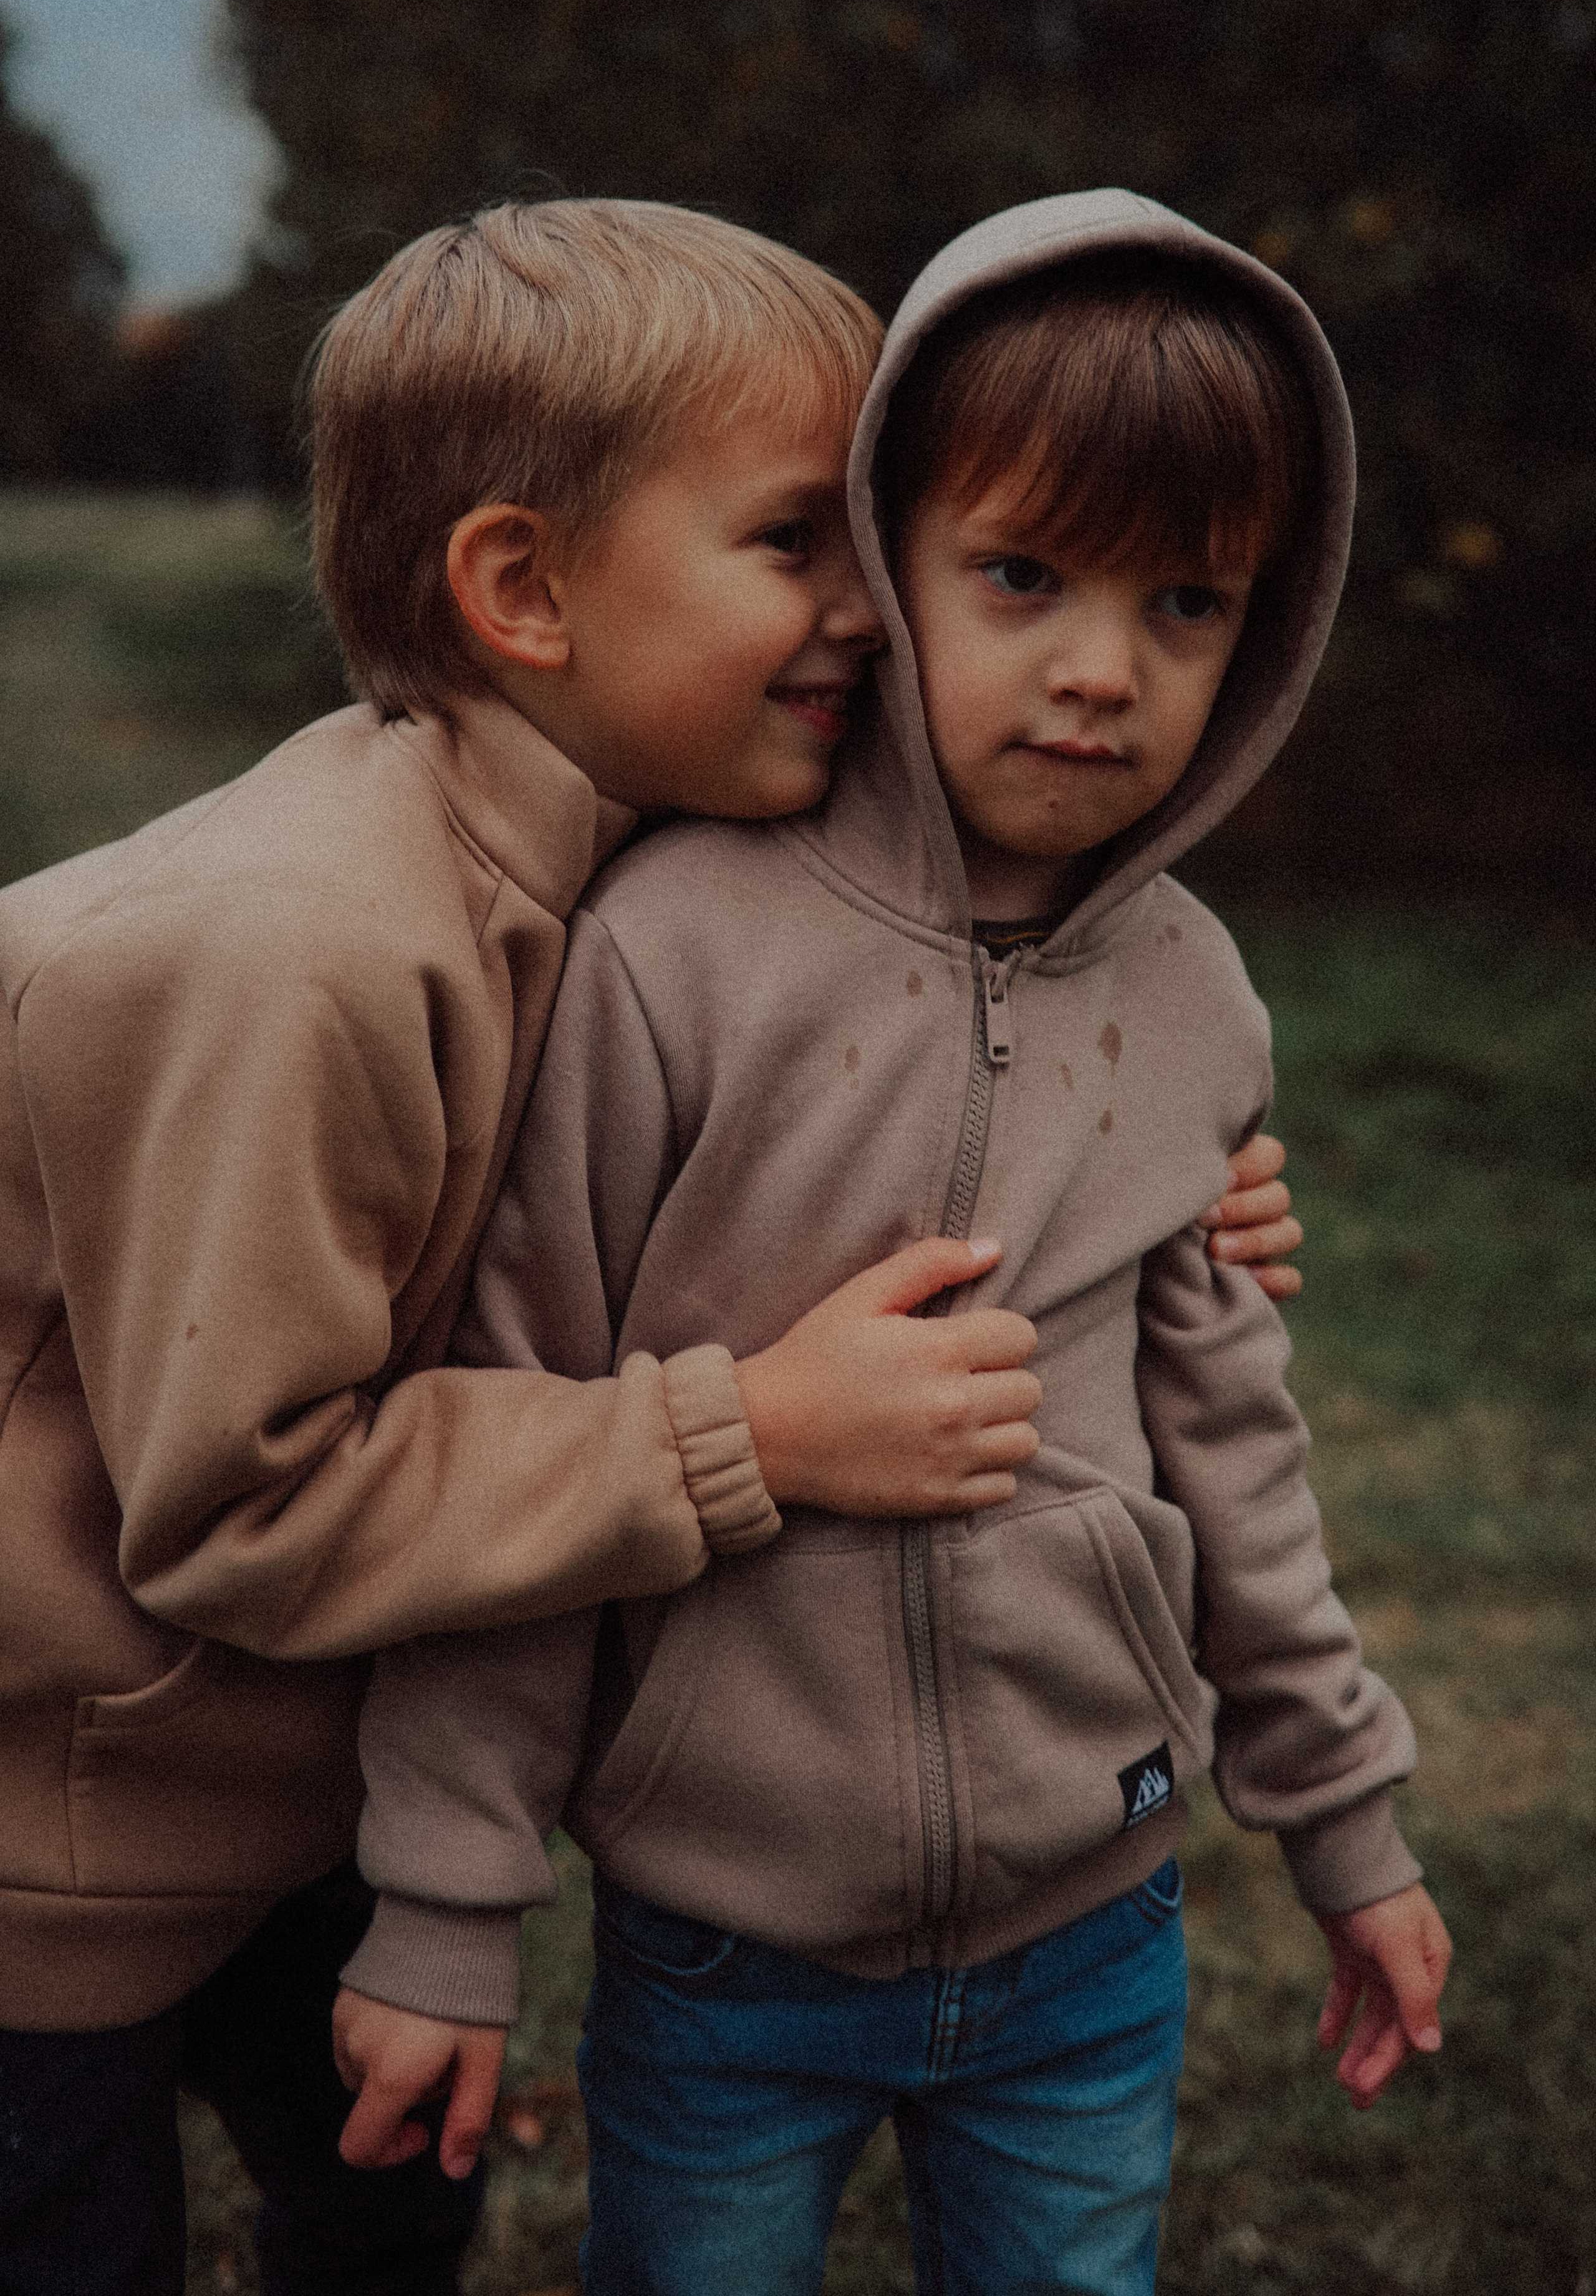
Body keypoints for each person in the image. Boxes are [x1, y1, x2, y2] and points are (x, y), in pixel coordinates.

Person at [333, 191, 1451, 2296]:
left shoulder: (1197, 997)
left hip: (1090, 1937)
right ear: (886, 554)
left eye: (1191, 604)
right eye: (1021, 576)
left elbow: (1236, 1455)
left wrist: (1348, 1825)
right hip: (723, 1942)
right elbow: (521, 1426)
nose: (1103, 669)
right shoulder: (670, 959)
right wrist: (446, 1905)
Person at [0, 198, 1117, 2296]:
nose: (876, 614)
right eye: (799, 541)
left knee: (386, 2218)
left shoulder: (631, 870)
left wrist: (1174, 1171)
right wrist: (752, 1437)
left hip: (294, 1795)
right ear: (523, 587)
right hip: (47, 1834)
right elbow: (239, 1508)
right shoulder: (303, 953)